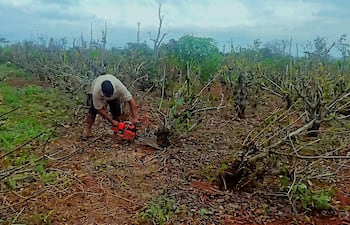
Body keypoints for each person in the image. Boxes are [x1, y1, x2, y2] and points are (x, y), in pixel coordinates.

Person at [82, 74, 138, 138]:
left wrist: (135, 118)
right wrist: (111, 121)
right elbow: (98, 109)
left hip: (114, 96)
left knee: (116, 112)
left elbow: (131, 100)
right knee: (92, 111)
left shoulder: (119, 87)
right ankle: (87, 129)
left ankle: (117, 131)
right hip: (98, 91)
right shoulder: (96, 91)